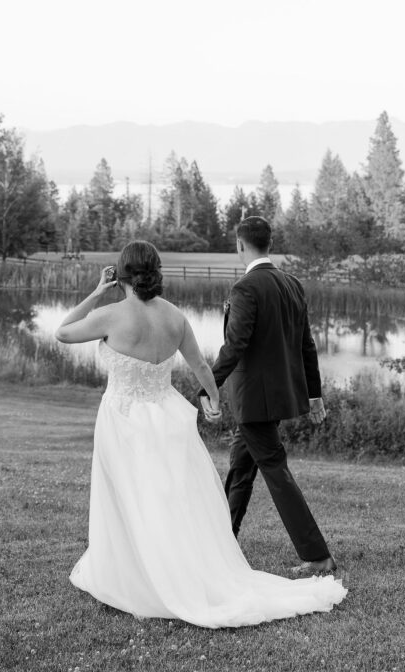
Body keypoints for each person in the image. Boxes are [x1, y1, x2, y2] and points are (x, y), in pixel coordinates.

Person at [55, 239, 346, 627]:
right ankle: (169, 568)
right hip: (168, 419)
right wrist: (212, 399)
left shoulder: (110, 315)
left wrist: (95, 292)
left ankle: (139, 576)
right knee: (168, 498)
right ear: (156, 272)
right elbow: (202, 367)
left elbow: (62, 332)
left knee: (127, 496)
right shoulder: (175, 316)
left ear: (120, 274)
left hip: (123, 419)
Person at [199, 215, 337, 576]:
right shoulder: (292, 284)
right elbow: (307, 345)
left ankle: (318, 555)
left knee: (276, 471)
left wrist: (207, 386)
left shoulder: (245, 289)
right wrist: (314, 395)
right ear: (269, 244)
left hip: (254, 400)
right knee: (241, 467)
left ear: (239, 245)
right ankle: (223, 542)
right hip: (275, 397)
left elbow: (235, 346)